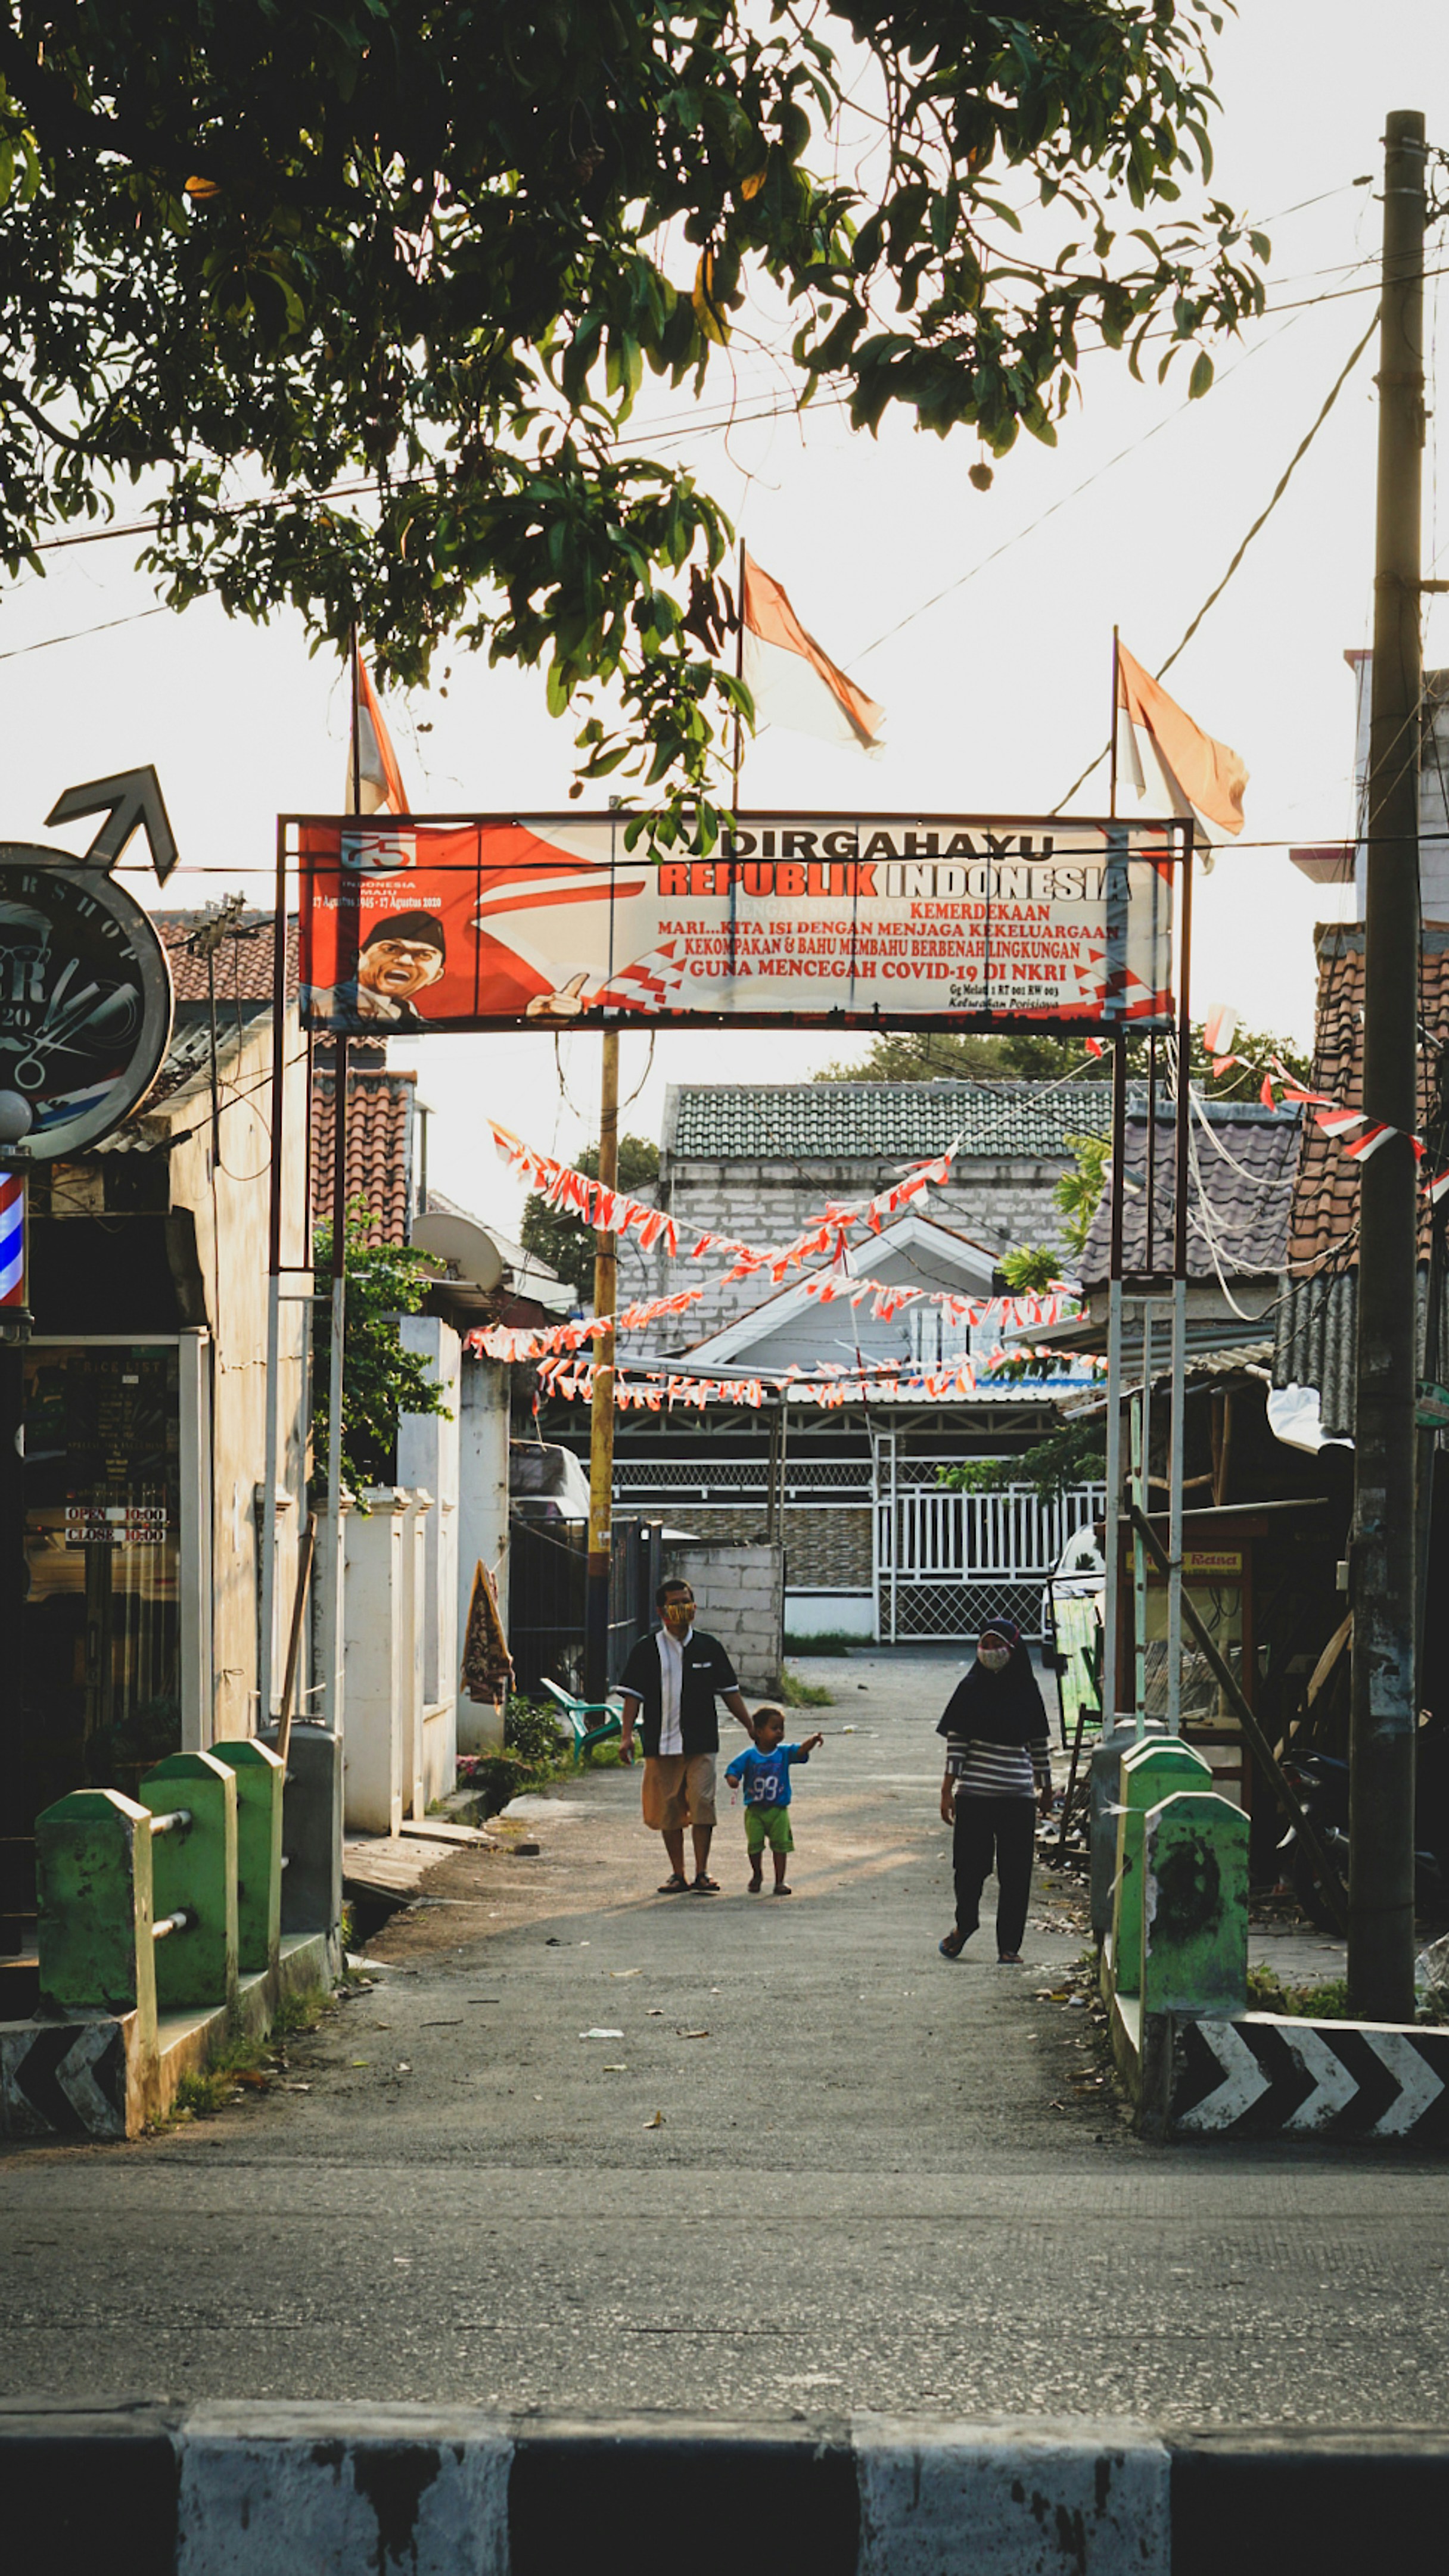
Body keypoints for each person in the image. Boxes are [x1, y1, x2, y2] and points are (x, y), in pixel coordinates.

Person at [618, 1580, 755, 1893]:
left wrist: (750, 1725)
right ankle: (678, 1874)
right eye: (675, 1603)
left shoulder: (709, 1647)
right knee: (668, 1810)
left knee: (703, 1803)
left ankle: (702, 1872)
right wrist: (626, 1736)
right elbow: (632, 1697)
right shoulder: (646, 1650)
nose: (682, 1608)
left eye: (686, 1601)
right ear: (662, 1611)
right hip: (660, 1742)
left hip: (701, 1743)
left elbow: (730, 1692)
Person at [935, 1619, 1053, 1964]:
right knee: (968, 1869)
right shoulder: (970, 1689)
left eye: (996, 1645)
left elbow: (1039, 1744)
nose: (989, 1652)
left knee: (1016, 1875)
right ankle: (965, 1924)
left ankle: (1009, 1947)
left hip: (1018, 1798)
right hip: (975, 1796)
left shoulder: (1027, 1691)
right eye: (984, 1645)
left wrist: (1045, 1787)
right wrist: (947, 1789)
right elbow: (957, 1744)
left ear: (1014, 1649)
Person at [724, 1708, 823, 1895]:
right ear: (759, 1732)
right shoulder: (749, 1755)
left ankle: (780, 1881)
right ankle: (757, 1874)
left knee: (780, 1847)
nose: (779, 1732)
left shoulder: (784, 1753)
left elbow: (800, 1750)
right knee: (755, 1846)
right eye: (774, 1728)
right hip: (755, 1810)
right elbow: (733, 1769)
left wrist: (812, 1741)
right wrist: (733, 1779)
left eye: (781, 1728)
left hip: (779, 1810)